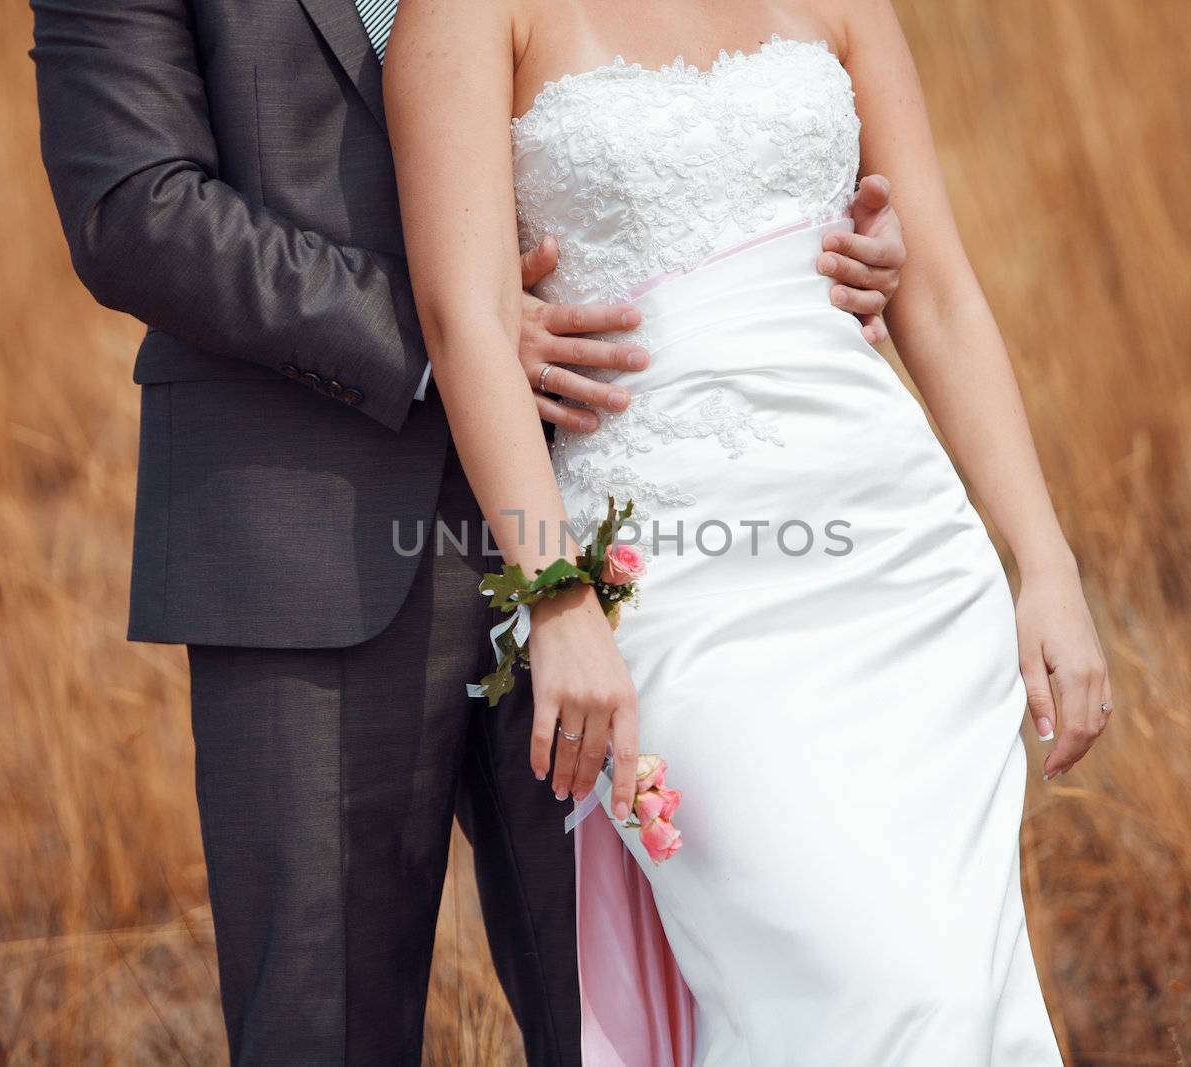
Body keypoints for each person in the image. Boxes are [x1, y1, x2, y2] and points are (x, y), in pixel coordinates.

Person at [27, 0, 905, 1061]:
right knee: (324, 1027)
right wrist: (456, 334)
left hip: (617, 508)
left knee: (644, 1013)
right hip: (305, 536)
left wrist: (817, 230)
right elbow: (135, 210)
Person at [385, 0, 1113, 1062]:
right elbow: (468, 321)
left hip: (905, 561)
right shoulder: (463, 14)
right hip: (686, 585)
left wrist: (1045, 563)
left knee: (954, 992)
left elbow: (941, 291)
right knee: (854, 978)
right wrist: (556, 594)